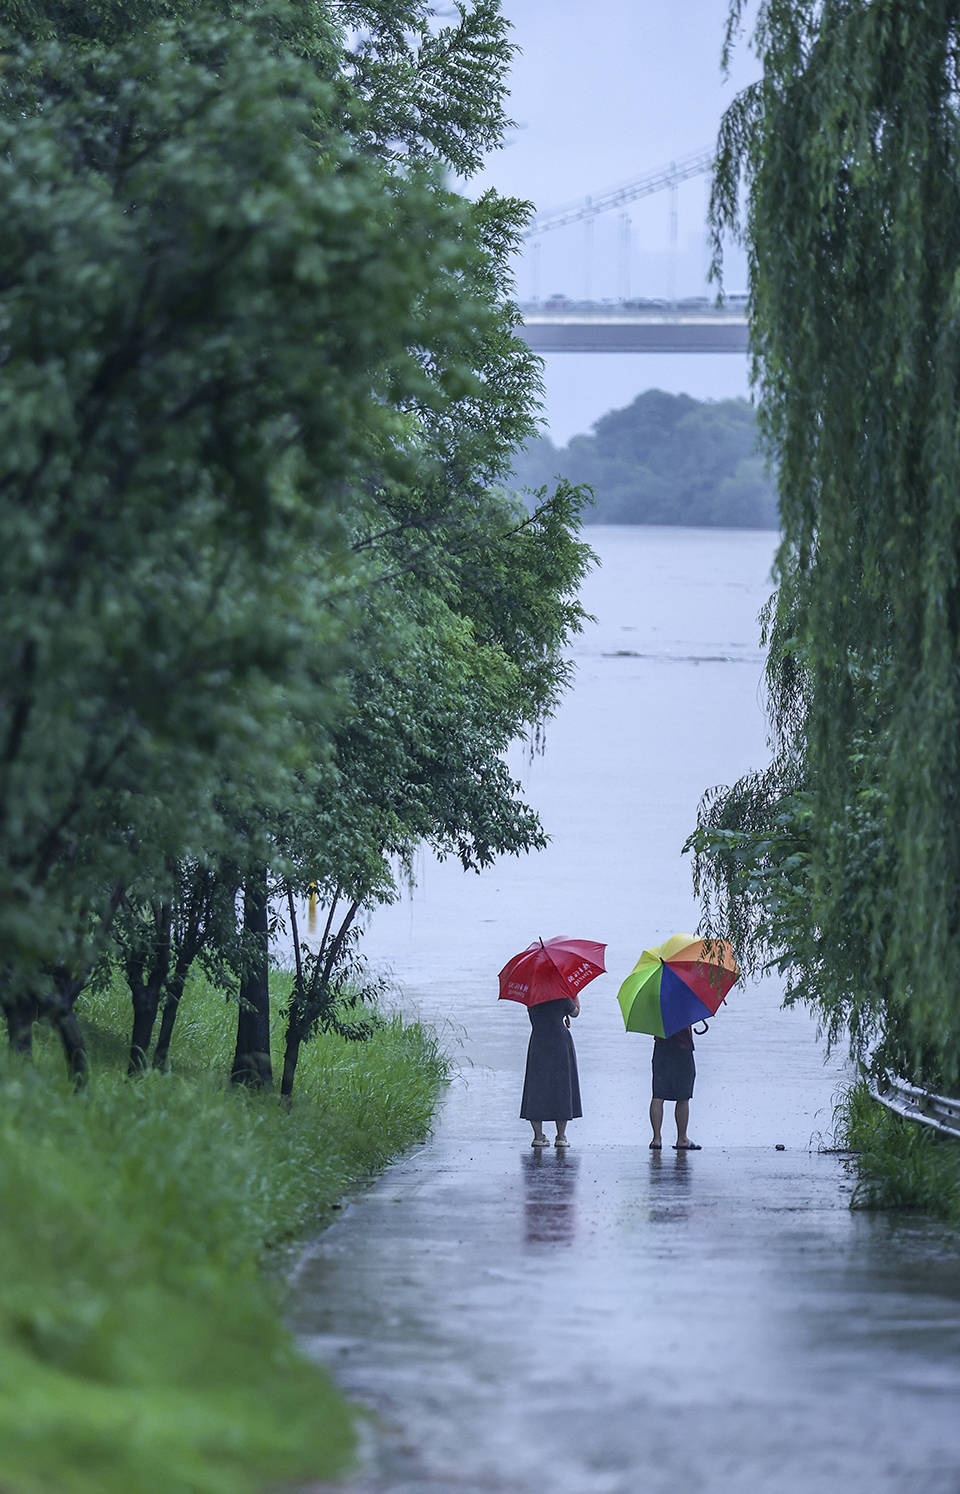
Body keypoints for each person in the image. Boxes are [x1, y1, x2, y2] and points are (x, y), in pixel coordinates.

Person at [519, 993, 581, 1147]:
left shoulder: (532, 996)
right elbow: (575, 1012)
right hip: (559, 1042)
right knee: (561, 1086)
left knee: (536, 1086)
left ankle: (538, 1136)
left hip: (538, 1041)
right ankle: (560, 1136)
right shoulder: (562, 994)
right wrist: (575, 996)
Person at [649, 1024, 701, 1150]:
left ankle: (656, 1139)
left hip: (661, 1048)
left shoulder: (655, 1004)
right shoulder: (685, 1003)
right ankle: (682, 1139)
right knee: (683, 1096)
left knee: (658, 1095)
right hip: (682, 1047)